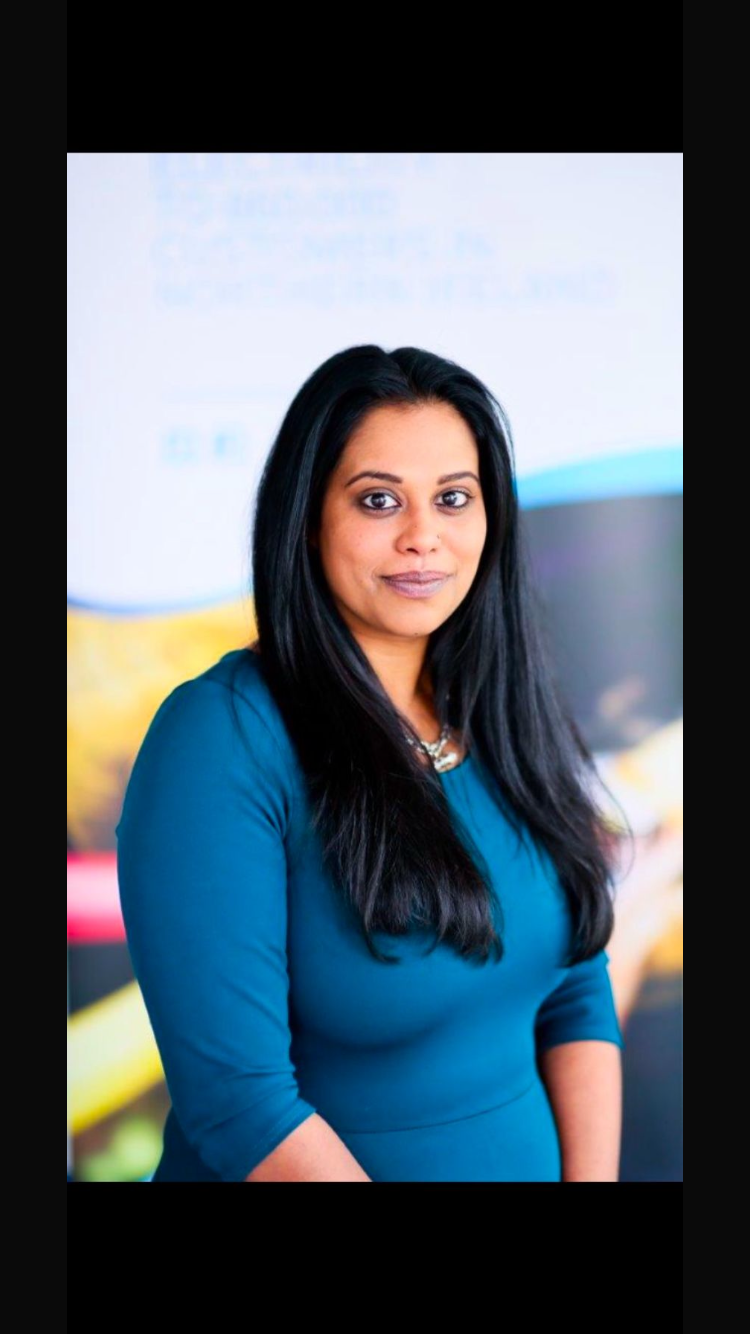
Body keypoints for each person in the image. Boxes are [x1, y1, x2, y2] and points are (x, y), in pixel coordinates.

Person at [116, 344, 627, 1182]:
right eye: (378, 500)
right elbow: (240, 1105)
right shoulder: (220, 737)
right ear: (307, 517)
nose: (423, 537)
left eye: (453, 498)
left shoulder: (501, 706)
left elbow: (575, 988)